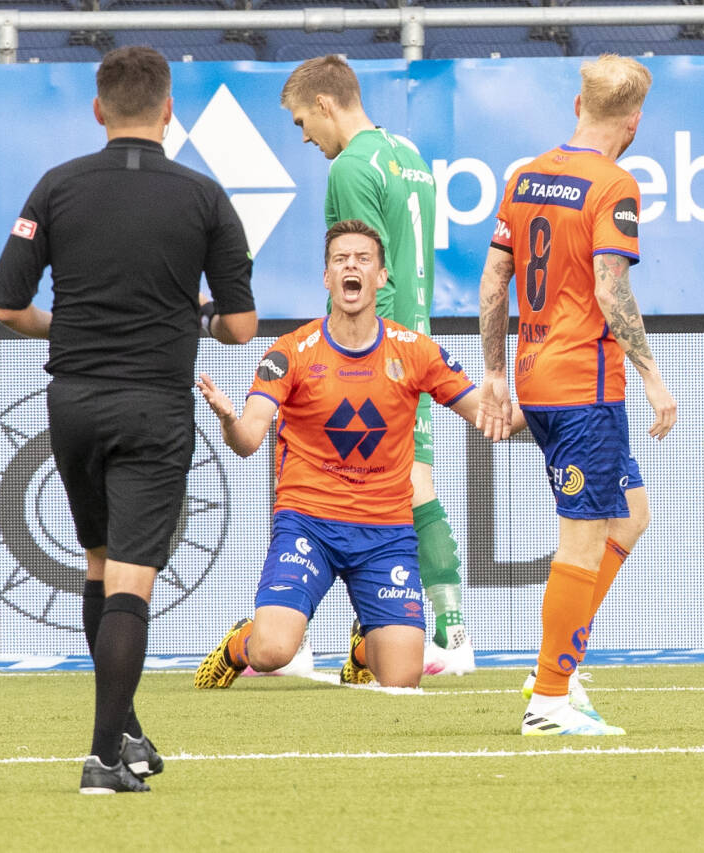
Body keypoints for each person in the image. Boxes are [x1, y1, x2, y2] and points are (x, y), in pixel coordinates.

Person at [0, 46, 258, 794]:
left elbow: (8, 303)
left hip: (72, 403)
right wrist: (186, 320)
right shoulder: (204, 196)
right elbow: (240, 326)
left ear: (99, 109)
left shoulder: (57, 186)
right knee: (131, 585)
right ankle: (104, 758)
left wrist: (73, 326)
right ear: (169, 112)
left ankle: (127, 730)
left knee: (101, 569)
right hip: (154, 406)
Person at [194, 220, 509, 691]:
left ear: (381, 278)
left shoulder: (416, 351)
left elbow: (491, 418)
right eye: (341, 260)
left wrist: (554, 408)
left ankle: (363, 646)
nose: (351, 267)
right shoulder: (291, 352)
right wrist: (227, 419)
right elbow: (248, 441)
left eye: (363, 259)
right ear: (327, 278)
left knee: (401, 681)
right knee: (273, 652)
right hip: (309, 522)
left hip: (386, 531)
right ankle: (242, 643)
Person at [476, 55, 677, 736]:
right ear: (633, 121)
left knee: (632, 515)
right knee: (582, 542)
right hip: (584, 387)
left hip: (535, 375)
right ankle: (551, 700)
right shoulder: (614, 183)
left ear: (575, 105)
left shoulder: (527, 175)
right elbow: (610, 289)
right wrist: (652, 377)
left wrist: (495, 372)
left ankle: (557, 665)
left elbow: (494, 279)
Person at [278, 56, 476, 678]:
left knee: (313, 474)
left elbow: (356, 276)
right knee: (413, 482)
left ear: (328, 104)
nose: (305, 135)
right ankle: (444, 631)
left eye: (303, 119)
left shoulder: (351, 168)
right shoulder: (409, 154)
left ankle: (300, 632)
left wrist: (355, 352)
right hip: (416, 342)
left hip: (371, 354)